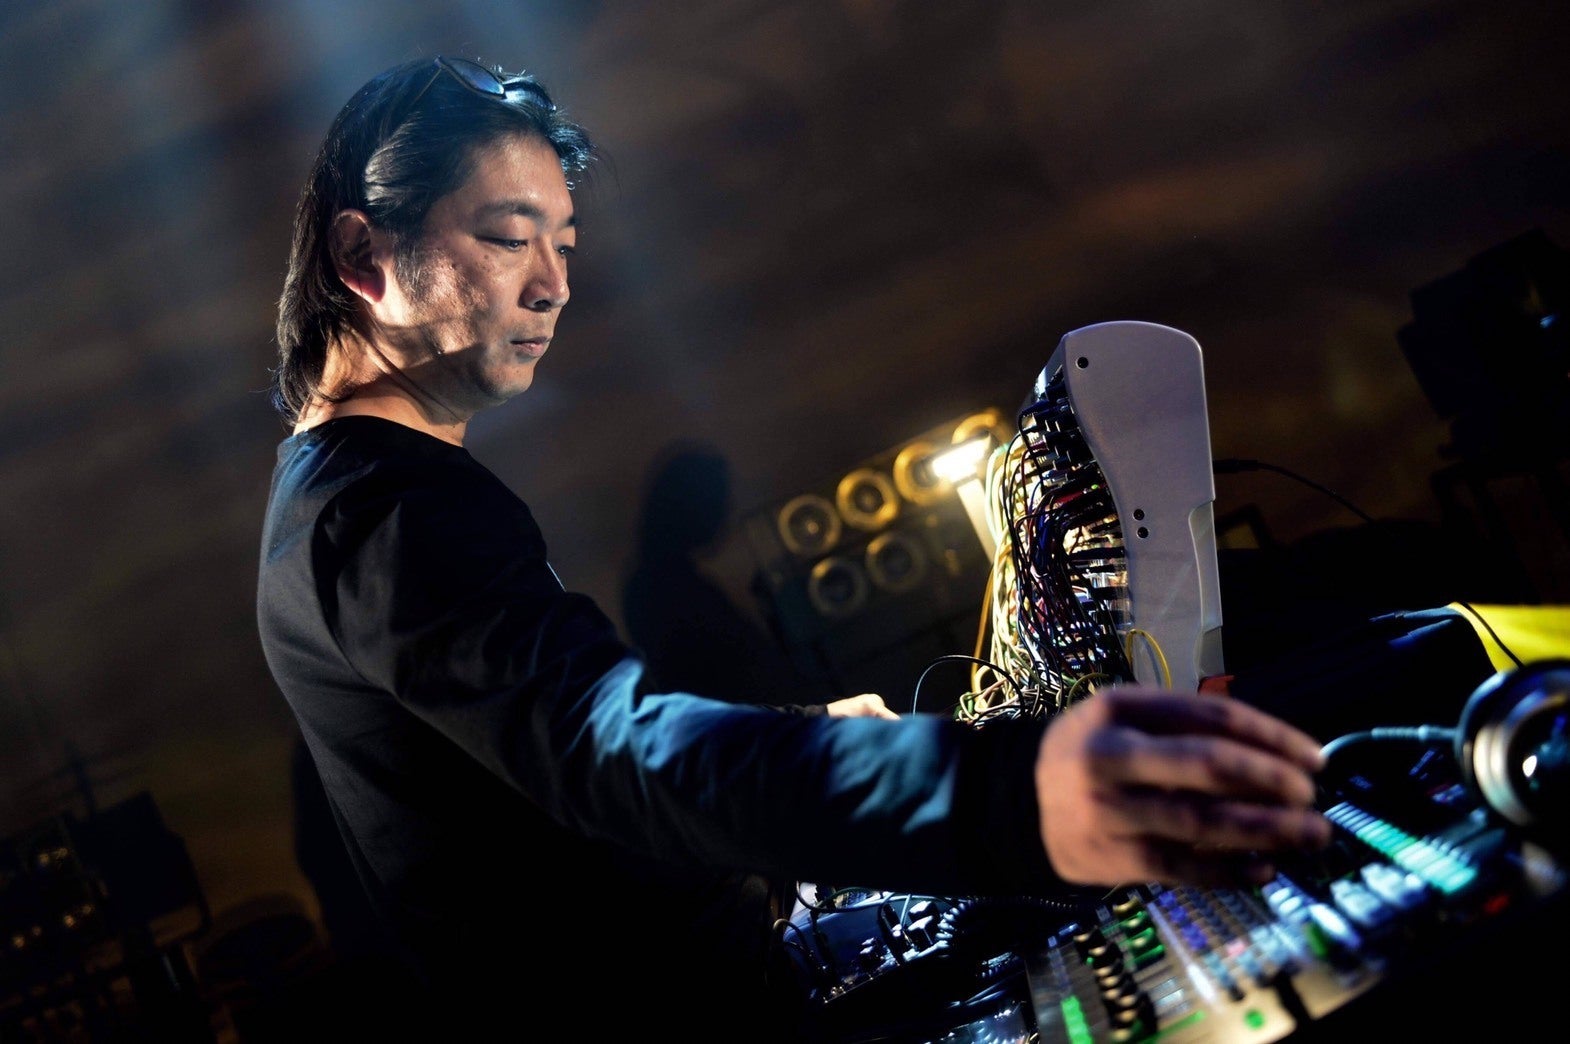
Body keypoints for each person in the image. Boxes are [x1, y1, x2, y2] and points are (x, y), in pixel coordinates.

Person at [256, 55, 1332, 1039]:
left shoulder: (350, 500)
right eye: (507, 237)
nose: (554, 284)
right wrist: (1010, 792)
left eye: (564, 244)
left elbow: (540, 781)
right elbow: (606, 748)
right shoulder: (379, 510)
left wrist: (800, 734)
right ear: (362, 255)